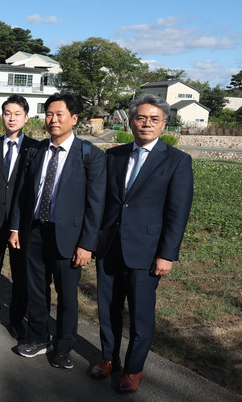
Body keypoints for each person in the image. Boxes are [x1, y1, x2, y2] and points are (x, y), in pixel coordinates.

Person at [90, 94, 193, 392]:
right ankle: (109, 358)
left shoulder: (177, 161)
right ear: (131, 121)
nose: (146, 124)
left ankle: (134, 369)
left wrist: (167, 255)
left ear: (163, 124)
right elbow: (104, 203)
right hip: (110, 247)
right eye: (141, 118)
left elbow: (177, 213)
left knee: (140, 314)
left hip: (147, 253)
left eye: (154, 119)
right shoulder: (114, 156)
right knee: (108, 308)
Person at [9, 92, 106, 369]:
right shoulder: (35, 151)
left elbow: (95, 205)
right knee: (36, 290)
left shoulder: (90, 155)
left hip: (69, 238)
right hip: (35, 232)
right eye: (49, 114)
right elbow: (22, 194)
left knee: (67, 297)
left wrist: (87, 244)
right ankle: (39, 338)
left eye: (59, 114)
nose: (53, 119)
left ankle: (64, 347)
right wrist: (16, 228)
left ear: (73, 119)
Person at [0, 95, 38, 336]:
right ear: (1, 116)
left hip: (21, 225)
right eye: (7, 113)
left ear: (26, 117)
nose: (11, 118)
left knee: (20, 274)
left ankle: (16, 318)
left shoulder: (35, 149)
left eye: (17, 114)